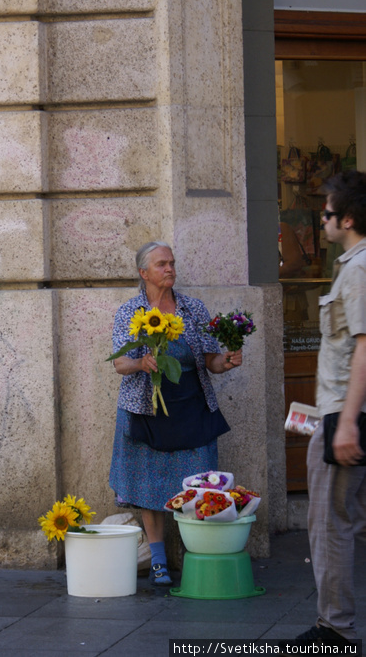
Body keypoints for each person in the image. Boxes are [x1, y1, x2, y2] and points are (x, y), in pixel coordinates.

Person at [108, 241, 242, 585]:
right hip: (147, 408)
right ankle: (157, 561)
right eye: (161, 264)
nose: (169, 269)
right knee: (148, 486)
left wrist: (224, 362)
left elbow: (210, 359)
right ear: (143, 273)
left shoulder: (193, 309)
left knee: (198, 484)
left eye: (172, 263)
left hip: (191, 406)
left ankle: (198, 555)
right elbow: (120, 362)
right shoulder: (130, 312)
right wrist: (142, 362)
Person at [292, 171, 366, 646]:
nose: (322, 221)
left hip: (345, 413)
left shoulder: (358, 269)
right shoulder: (352, 265)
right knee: (349, 517)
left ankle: (334, 631)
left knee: (330, 525)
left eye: (327, 214)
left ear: (349, 219)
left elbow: (364, 346)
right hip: (341, 412)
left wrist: (345, 424)